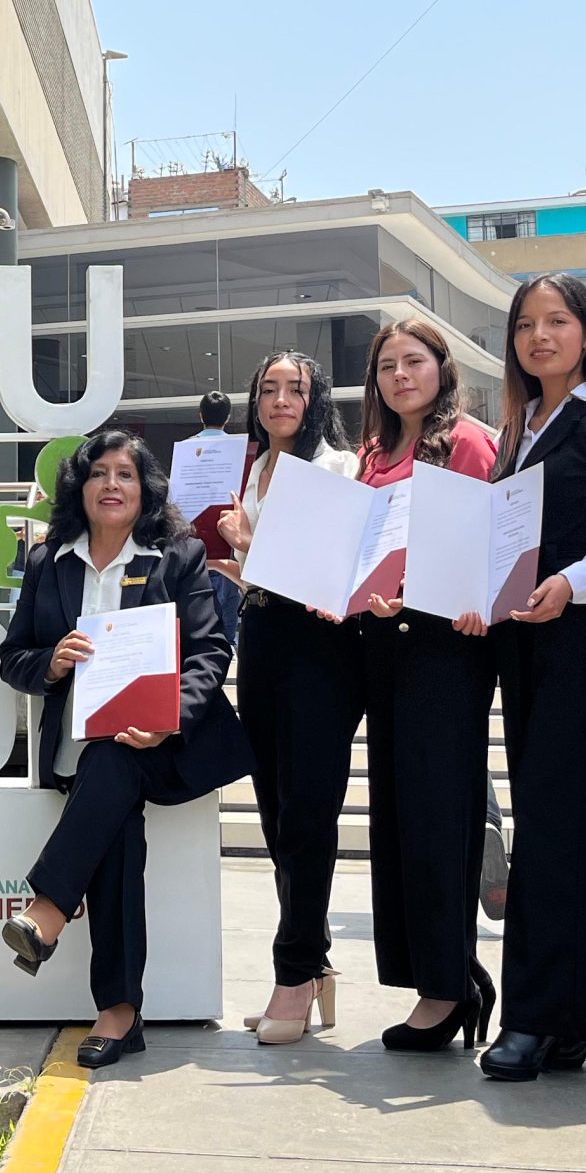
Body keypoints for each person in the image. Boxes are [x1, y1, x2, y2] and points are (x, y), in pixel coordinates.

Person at [0, 430, 252, 1067]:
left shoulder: (180, 556)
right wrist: (51, 663)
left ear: (146, 490)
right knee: (110, 806)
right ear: (78, 489)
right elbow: (13, 658)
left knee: (112, 761)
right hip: (83, 751)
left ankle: (48, 912)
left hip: (164, 743)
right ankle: (120, 1012)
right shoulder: (47, 562)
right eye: (99, 474)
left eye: (126, 475)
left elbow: (211, 651)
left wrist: (170, 717)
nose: (112, 485)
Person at [474, 274, 586, 1083]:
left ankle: (538, 1018)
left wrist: (571, 583)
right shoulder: (514, 429)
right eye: (525, 325)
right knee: (558, 823)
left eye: (556, 322)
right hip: (523, 645)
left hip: (582, 639)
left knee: (560, 833)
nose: (539, 337)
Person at [351, 319, 502, 1054]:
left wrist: (416, 590)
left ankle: (449, 988)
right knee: (401, 821)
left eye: (414, 362)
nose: (400, 375)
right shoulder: (374, 453)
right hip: (383, 647)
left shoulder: (468, 442)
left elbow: (481, 544)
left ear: (442, 368)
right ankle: (443, 976)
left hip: (445, 647)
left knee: (441, 817)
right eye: (387, 365)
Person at [213, 349, 360, 1044]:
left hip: (317, 651)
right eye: (266, 388)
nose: (278, 400)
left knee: (306, 815)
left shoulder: (335, 467)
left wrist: (252, 544)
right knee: (274, 810)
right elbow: (263, 569)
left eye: (292, 389)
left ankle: (294, 973)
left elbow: (323, 576)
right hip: (262, 637)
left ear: (314, 398)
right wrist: (233, 561)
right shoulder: (256, 468)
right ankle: (316, 959)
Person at [192, 390, 243, 641]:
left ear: (201, 415)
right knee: (227, 619)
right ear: (228, 416)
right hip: (229, 543)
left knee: (197, 619)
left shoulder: (187, 450)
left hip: (194, 546)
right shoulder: (238, 451)